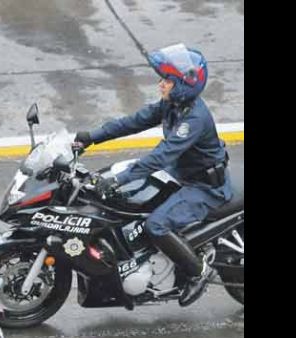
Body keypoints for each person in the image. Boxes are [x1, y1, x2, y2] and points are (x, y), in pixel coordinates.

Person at [73, 43, 232, 307]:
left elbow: (162, 155)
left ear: (183, 85)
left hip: (204, 187)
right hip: (181, 174)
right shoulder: (173, 105)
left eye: (167, 80)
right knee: (129, 200)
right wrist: (92, 137)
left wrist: (118, 180)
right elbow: (134, 121)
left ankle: (198, 272)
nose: (161, 84)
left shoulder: (194, 119)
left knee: (156, 225)